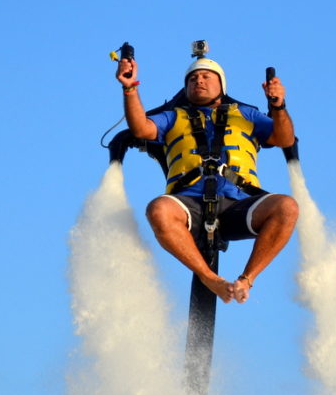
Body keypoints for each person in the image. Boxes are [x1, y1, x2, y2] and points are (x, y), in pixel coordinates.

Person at [116, 53, 299, 304]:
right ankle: (209, 277)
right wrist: (129, 89)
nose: (198, 81)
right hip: (189, 203)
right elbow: (140, 128)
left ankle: (246, 279)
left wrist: (278, 106)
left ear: (221, 85)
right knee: (158, 209)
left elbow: (285, 139)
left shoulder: (247, 114)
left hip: (239, 203)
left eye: (205, 76)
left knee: (286, 206)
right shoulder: (173, 116)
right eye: (192, 78)